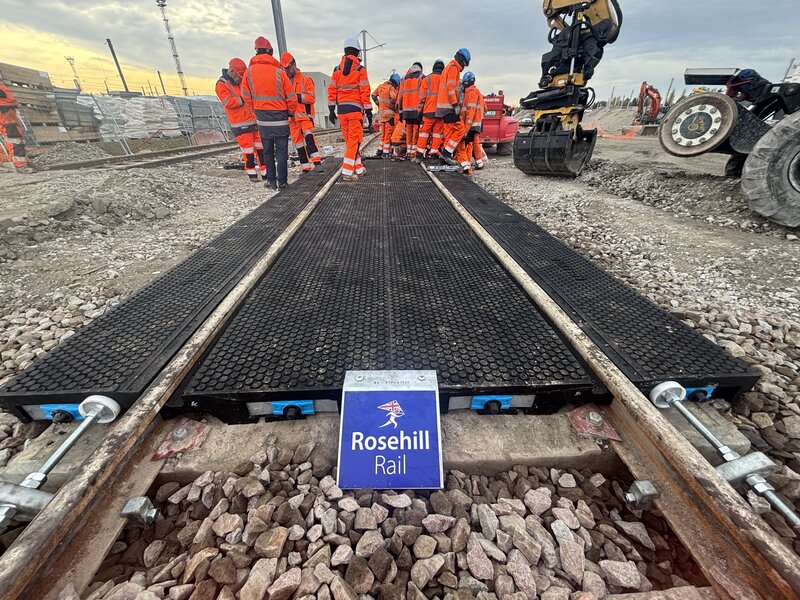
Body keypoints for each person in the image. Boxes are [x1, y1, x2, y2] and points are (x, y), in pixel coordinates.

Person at [242, 36, 297, 189]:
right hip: (280, 117)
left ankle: (271, 181)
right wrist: (290, 113)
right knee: (281, 151)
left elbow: (245, 94)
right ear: (270, 52)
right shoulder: (279, 72)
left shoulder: (249, 72)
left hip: (262, 118)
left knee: (267, 151)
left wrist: (256, 108)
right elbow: (291, 97)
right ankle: (283, 182)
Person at [329, 36, 372, 181]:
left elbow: (332, 90)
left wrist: (330, 109)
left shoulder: (336, 70)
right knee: (355, 141)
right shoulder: (360, 69)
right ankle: (347, 172)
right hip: (354, 111)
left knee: (350, 142)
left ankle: (358, 169)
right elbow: (365, 91)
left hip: (341, 111)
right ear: (357, 51)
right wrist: (369, 110)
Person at [215, 58, 265, 182]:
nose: (240, 79)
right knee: (248, 151)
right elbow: (228, 102)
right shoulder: (222, 84)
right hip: (240, 124)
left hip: (253, 122)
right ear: (231, 71)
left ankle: (266, 173)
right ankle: (252, 174)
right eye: (239, 76)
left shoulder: (240, 82)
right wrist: (243, 99)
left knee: (261, 149)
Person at [281, 52, 323, 174]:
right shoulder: (284, 81)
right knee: (298, 144)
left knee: (309, 139)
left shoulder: (305, 79)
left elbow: (311, 98)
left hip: (305, 117)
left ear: (294, 64)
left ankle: (317, 163)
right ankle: (305, 167)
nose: (287, 71)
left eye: (288, 68)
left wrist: (295, 97)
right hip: (292, 119)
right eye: (284, 69)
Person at [435, 48, 471, 165]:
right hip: (449, 106)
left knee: (449, 132)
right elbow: (451, 88)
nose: (464, 66)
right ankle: (446, 153)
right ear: (461, 60)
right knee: (460, 129)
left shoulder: (448, 67)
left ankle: (445, 157)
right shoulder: (454, 67)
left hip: (443, 106)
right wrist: (455, 104)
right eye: (464, 63)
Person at [415, 59, 445, 159]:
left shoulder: (427, 79)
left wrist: (419, 111)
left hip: (428, 112)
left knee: (424, 133)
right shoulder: (444, 79)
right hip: (440, 113)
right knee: (437, 134)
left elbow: (421, 97)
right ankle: (434, 153)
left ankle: (419, 154)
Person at [0, 78, 31, 170]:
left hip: (7, 107)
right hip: (4, 108)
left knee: (16, 136)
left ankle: (23, 162)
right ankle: (20, 164)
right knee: (13, 136)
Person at [454, 71, 482, 174]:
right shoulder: (477, 91)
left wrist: (466, 127)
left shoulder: (470, 92)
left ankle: (467, 165)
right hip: (476, 123)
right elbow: (485, 108)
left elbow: (470, 110)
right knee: (471, 144)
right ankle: (472, 164)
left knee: (464, 143)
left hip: (470, 124)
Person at [398, 62, 424, 161]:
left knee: (409, 130)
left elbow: (400, 96)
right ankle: (413, 153)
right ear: (420, 69)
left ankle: (409, 152)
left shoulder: (404, 79)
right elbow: (422, 95)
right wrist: (421, 110)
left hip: (406, 111)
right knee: (416, 131)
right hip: (416, 110)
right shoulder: (421, 77)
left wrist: (400, 112)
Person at [371, 73, 400, 157]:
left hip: (382, 115)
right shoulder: (391, 88)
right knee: (388, 135)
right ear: (394, 82)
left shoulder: (380, 86)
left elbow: (373, 95)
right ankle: (386, 153)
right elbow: (394, 98)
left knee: (383, 135)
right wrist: (393, 106)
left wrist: (379, 104)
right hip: (390, 116)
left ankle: (379, 151)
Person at [472, 91, 488, 169]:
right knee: (476, 142)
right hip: (479, 122)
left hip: (472, 123)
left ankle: (476, 162)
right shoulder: (480, 95)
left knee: (472, 142)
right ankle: (479, 162)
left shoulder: (469, 93)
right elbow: (485, 109)